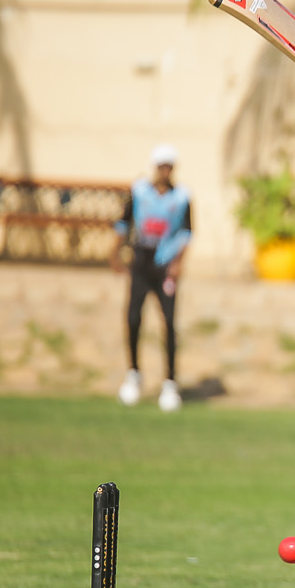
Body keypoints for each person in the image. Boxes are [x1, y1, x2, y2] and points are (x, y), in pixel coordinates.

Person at [112, 143, 192, 412]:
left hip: (165, 265)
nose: (165, 171)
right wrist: (115, 253)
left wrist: (178, 263)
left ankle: (170, 382)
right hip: (141, 263)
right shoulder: (139, 192)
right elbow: (123, 223)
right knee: (133, 318)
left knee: (168, 322)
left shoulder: (181, 197)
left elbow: (186, 233)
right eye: (161, 166)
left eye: (169, 166)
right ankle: (133, 374)